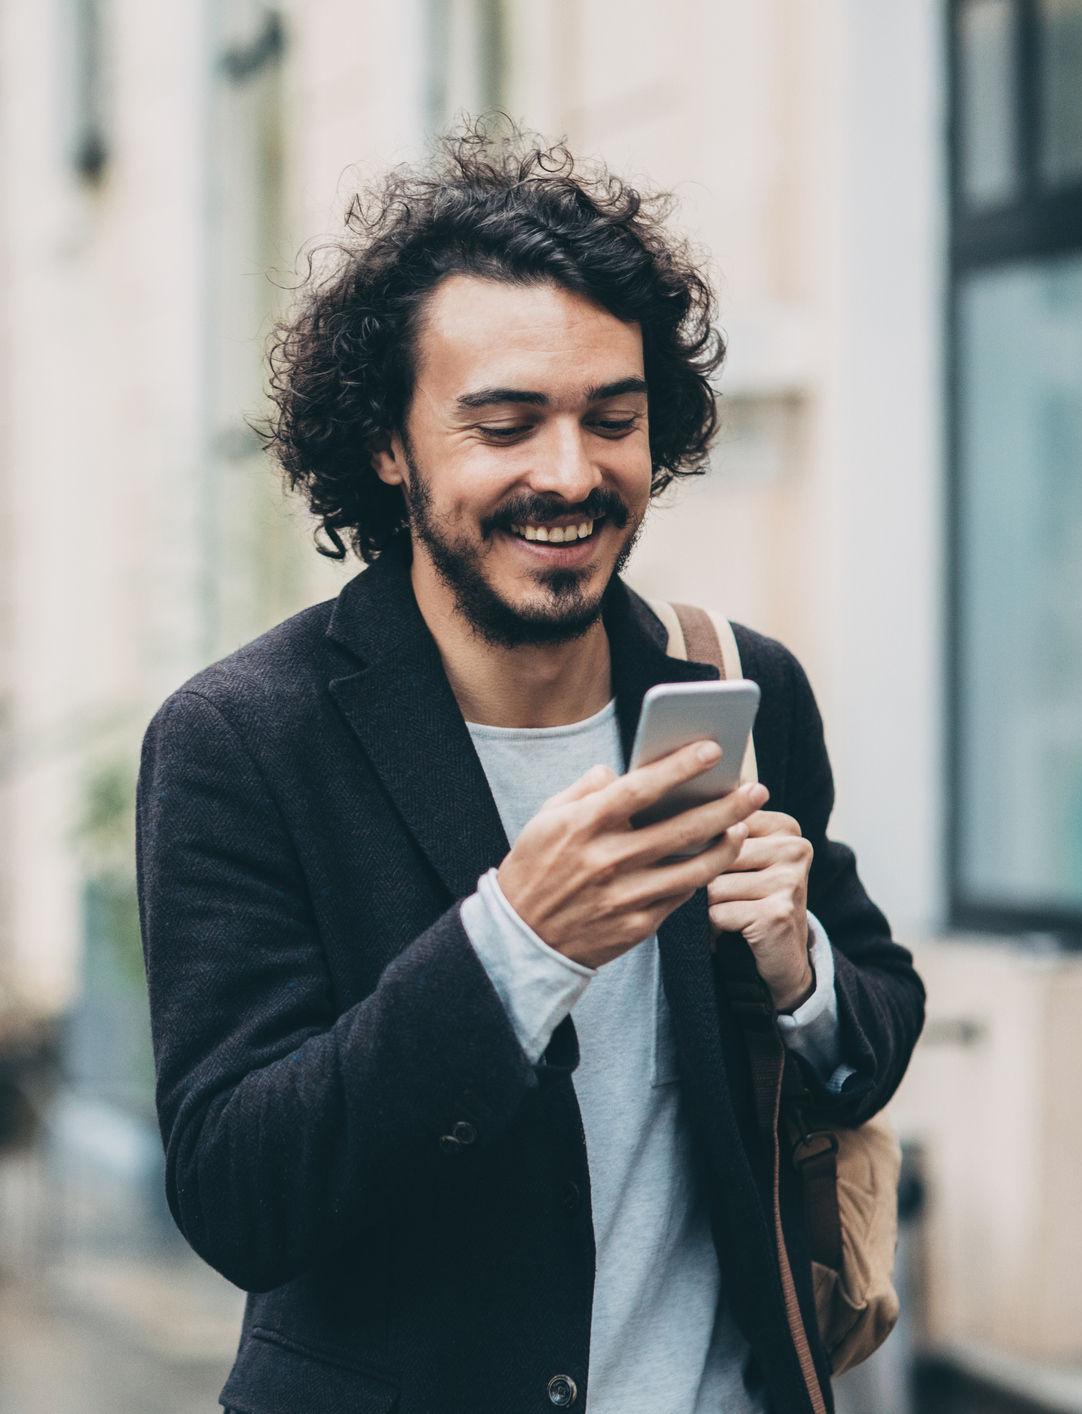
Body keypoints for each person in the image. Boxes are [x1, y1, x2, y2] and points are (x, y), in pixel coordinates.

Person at [134, 133, 925, 1414]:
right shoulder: (242, 737)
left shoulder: (739, 685)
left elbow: (870, 1036)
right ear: (390, 446)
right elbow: (240, 1192)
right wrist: (514, 946)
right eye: (505, 424)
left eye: (612, 419)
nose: (570, 473)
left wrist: (801, 970)